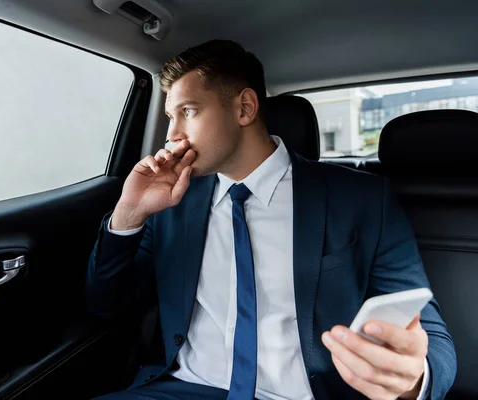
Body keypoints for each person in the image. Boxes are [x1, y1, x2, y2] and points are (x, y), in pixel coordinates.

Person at [85, 39, 456, 400]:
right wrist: (129, 214)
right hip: (183, 389)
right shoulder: (171, 203)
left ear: (245, 108)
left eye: (189, 111)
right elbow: (106, 305)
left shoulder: (362, 199)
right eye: (170, 116)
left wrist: (411, 381)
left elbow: (433, 339)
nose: (171, 136)